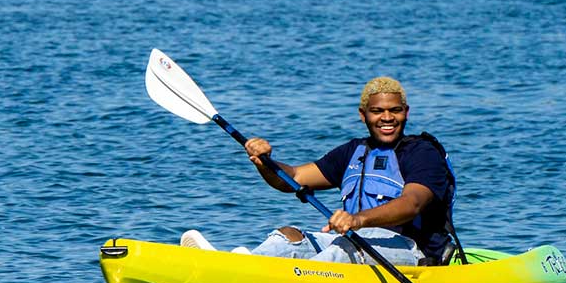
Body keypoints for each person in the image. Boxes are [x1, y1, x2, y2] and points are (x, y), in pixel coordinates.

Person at [180, 76, 457, 266]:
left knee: (346, 248)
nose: (387, 118)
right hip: (354, 241)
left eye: (395, 110)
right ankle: (243, 265)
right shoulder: (352, 152)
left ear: (406, 112)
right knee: (289, 235)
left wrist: (357, 220)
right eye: (377, 111)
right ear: (363, 115)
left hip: (411, 252)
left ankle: (263, 277)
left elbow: (412, 203)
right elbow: (294, 179)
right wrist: (265, 162)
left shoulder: (422, 153)